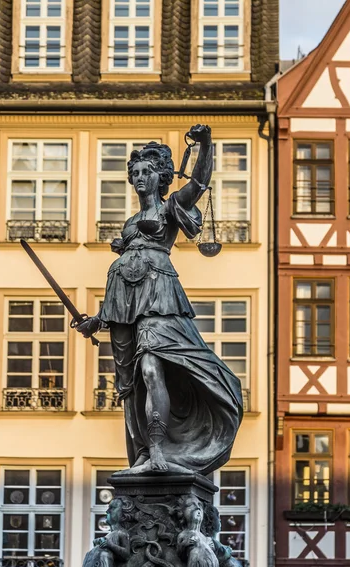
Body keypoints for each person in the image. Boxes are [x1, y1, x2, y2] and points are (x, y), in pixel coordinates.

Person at [77, 124, 243, 474]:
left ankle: (157, 450)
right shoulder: (131, 222)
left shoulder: (168, 210)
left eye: (147, 172)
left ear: (161, 176)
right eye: (135, 172)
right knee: (129, 386)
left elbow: (198, 183)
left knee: (152, 368)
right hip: (123, 302)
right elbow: (121, 278)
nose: (139, 178)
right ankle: (140, 453)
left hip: (159, 298)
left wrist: (206, 145)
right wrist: (97, 320)